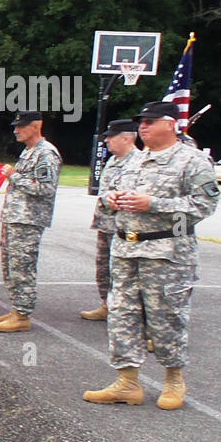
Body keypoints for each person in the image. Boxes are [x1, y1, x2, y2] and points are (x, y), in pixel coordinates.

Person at [84, 101, 220, 410]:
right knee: (122, 314)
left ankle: (173, 379)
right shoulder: (134, 160)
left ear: (170, 124)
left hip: (167, 253)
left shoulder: (192, 161)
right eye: (141, 122)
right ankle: (127, 382)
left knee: (166, 317)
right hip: (126, 248)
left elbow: (204, 207)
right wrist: (112, 199)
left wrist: (155, 204)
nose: (142, 126)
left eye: (150, 121)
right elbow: (109, 195)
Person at [0, 111, 62, 332]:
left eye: (21, 126)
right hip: (15, 218)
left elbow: (46, 189)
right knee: (10, 265)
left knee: (22, 267)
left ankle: (22, 315)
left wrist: (14, 176)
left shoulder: (46, 154)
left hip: (28, 221)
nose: (16, 130)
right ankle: (16, 308)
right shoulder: (29, 152)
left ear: (36, 125)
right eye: (15, 126)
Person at [81, 120, 139, 321]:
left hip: (124, 228)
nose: (106, 140)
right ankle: (106, 304)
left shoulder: (138, 162)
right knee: (103, 267)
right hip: (106, 225)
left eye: (110, 137)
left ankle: (126, 312)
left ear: (125, 138)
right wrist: (107, 199)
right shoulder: (113, 161)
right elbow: (105, 192)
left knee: (123, 273)